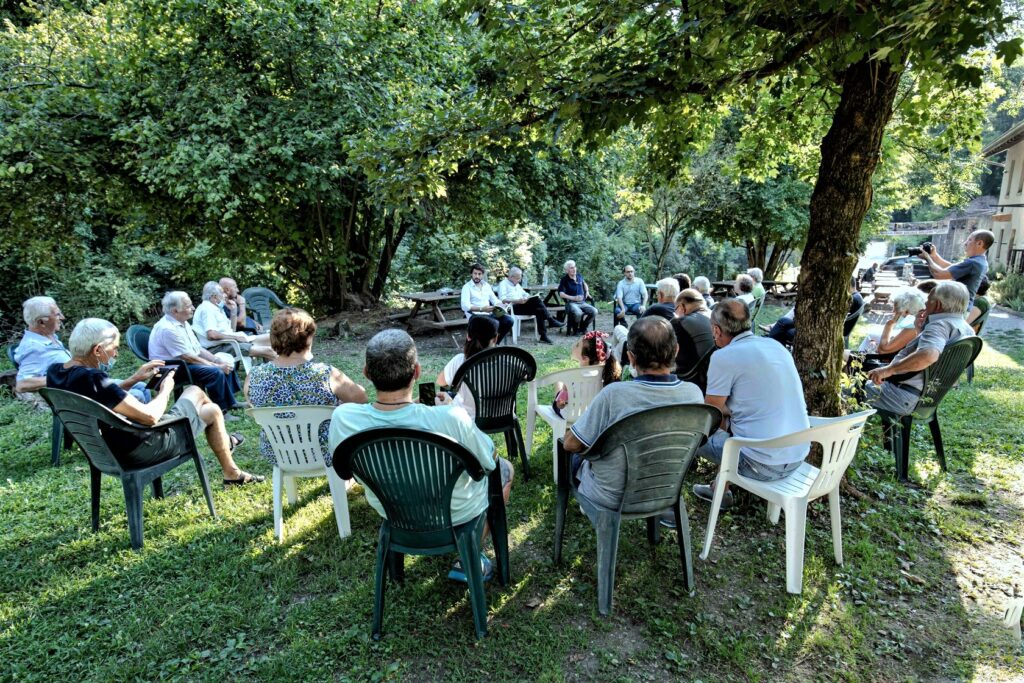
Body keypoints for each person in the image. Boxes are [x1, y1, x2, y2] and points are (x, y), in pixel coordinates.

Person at [329, 329, 513, 581]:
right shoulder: (451, 418)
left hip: (393, 512)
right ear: (417, 371)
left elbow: (346, 471)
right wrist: (450, 412)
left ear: (366, 373)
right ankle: (470, 554)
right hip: (455, 513)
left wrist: (416, 407)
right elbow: (488, 458)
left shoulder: (344, 418)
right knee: (506, 470)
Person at [46, 318, 264, 485]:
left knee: (212, 410)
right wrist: (166, 390)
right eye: (114, 349)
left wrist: (133, 380)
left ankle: (231, 471)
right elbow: (150, 417)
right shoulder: (93, 378)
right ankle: (227, 447)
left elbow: (97, 396)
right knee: (194, 390)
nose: (116, 355)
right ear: (97, 350)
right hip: (141, 448)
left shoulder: (57, 372)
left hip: (105, 451)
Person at [561, 318, 703, 520]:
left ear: (631, 357)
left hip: (612, 498)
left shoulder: (614, 395)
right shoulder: (694, 395)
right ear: (676, 350)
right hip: (664, 491)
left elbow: (571, 444)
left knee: (571, 449)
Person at [692, 299, 810, 510]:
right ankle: (720, 487)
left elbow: (710, 414)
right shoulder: (776, 346)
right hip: (798, 457)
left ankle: (680, 487)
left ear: (717, 331)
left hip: (759, 465)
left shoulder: (723, 356)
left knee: (691, 431)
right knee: (734, 422)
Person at [245, 308, 367, 467]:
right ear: (308, 338)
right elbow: (361, 400)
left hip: (279, 453)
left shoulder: (253, 376)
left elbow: (252, 405)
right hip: (325, 451)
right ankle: (347, 475)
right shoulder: (324, 373)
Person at [14, 296, 149, 406]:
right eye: (57, 314)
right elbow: (22, 384)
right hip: (77, 396)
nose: (62, 317)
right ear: (41, 322)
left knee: (141, 385)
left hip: (89, 383)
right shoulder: (33, 347)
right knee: (136, 395)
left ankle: (148, 428)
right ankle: (138, 430)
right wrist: (65, 375)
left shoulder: (50, 337)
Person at [866, 281, 975, 417]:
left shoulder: (939, 326)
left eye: (928, 300)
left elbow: (929, 355)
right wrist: (919, 329)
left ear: (938, 304)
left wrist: (888, 370)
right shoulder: (967, 329)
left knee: (843, 390)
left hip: (901, 395)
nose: (925, 304)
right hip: (925, 398)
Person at [149, 291, 245, 416]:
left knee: (224, 361)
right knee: (215, 372)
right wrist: (216, 366)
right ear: (175, 310)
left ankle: (231, 402)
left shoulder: (183, 323)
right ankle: (222, 411)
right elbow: (188, 357)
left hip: (183, 363)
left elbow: (197, 349)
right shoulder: (167, 329)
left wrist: (217, 360)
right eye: (188, 306)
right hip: (169, 369)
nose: (193, 308)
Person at [436, 315, 499, 420]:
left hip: (466, 417)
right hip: (501, 416)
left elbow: (441, 382)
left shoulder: (460, 361)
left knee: (436, 396)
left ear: (468, 336)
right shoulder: (508, 360)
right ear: (495, 338)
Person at [193, 282, 276, 361]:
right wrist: (236, 338)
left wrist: (233, 312)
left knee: (271, 338)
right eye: (222, 293)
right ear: (214, 297)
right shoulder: (207, 309)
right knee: (269, 350)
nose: (225, 295)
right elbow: (212, 335)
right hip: (220, 347)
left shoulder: (216, 308)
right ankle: (278, 372)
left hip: (230, 343)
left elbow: (231, 330)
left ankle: (272, 371)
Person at [550, 331, 622, 417]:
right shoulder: (605, 375)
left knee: (558, 382)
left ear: (584, 358)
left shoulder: (574, 376)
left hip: (572, 416)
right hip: (593, 417)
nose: (574, 345)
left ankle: (566, 428)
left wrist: (564, 391)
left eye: (577, 345)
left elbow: (560, 405)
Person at [919, 229, 994, 306]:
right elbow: (951, 268)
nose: (965, 243)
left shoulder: (973, 263)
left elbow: (939, 274)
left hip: (958, 308)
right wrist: (934, 256)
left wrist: (927, 258)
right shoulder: (981, 261)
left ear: (979, 243)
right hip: (963, 306)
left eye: (969, 240)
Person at [496, 266, 564, 344]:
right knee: (536, 301)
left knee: (538, 309)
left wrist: (527, 297)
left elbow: (525, 293)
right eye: (518, 278)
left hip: (521, 305)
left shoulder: (517, 285)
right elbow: (502, 300)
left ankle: (543, 336)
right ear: (511, 277)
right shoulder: (503, 284)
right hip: (511, 308)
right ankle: (551, 320)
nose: (519, 280)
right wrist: (517, 300)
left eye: (520, 278)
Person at [857, 287, 927, 355]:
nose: (893, 311)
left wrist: (889, 324)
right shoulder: (913, 321)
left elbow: (882, 350)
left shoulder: (913, 326)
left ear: (906, 311)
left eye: (896, 308)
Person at [460, 263, 513, 344]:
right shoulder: (466, 287)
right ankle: (487, 344)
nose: (477, 276)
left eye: (479, 274)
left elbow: (495, 300)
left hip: (489, 314)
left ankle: (494, 343)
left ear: (482, 275)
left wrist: (502, 305)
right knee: (492, 323)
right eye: (475, 273)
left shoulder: (486, 286)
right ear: (471, 274)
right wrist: (481, 309)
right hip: (475, 316)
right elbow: (465, 306)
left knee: (508, 320)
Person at [671, 288, 715, 377]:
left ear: (682, 307)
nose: (675, 312)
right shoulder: (715, 316)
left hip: (692, 377)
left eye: (675, 309)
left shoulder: (681, 322)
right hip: (714, 373)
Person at [557, 260, 597, 334]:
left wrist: (587, 292)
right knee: (578, 313)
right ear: (567, 270)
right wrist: (573, 298)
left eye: (574, 267)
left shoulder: (579, 276)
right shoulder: (564, 279)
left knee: (594, 311)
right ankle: (575, 328)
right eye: (572, 268)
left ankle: (583, 327)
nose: (574, 269)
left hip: (582, 302)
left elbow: (584, 283)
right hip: (572, 303)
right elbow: (561, 294)